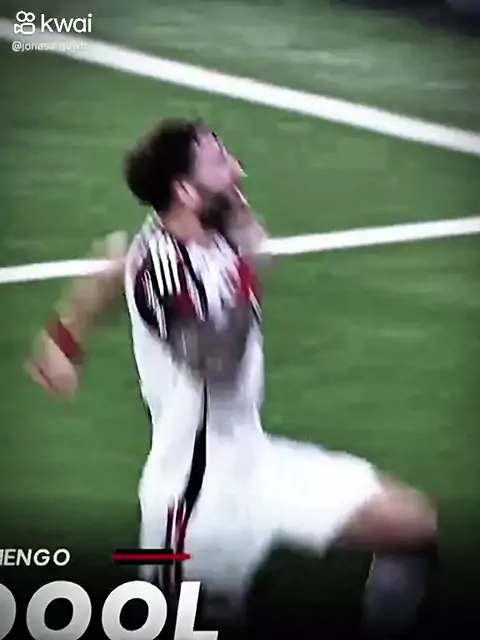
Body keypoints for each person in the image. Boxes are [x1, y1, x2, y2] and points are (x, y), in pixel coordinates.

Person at [28, 118, 437, 637]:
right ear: (185, 191)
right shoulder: (162, 269)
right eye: (221, 163)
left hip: (257, 464)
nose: (239, 170)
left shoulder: (211, 228)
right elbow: (215, 363)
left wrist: (63, 343)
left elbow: (108, 269)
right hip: (196, 503)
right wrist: (247, 271)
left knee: (413, 530)